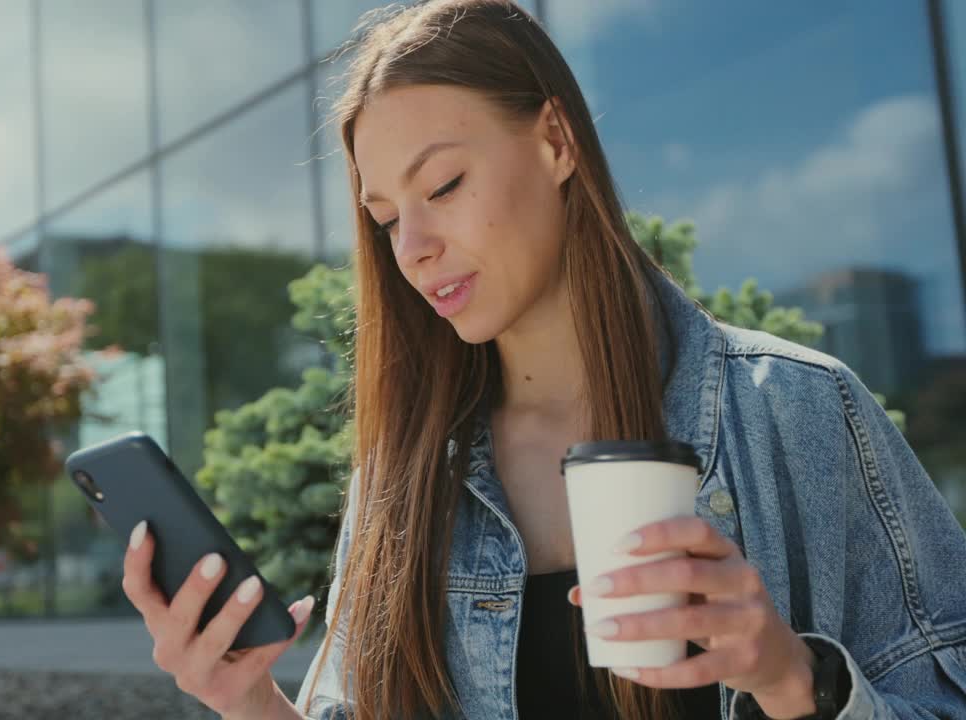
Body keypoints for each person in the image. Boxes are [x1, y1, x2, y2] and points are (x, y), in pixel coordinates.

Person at [118, 1, 966, 718]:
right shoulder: (406, 472)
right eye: (385, 217)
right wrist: (247, 699)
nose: (411, 248)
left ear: (557, 140)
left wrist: (789, 677)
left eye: (443, 186)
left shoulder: (798, 409)